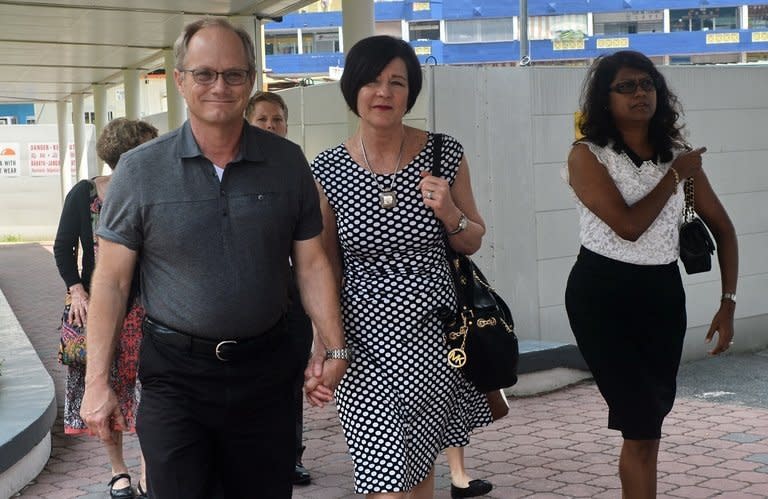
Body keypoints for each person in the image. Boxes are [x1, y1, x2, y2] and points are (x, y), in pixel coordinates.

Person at [79, 17, 347, 499]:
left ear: (250, 80)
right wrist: (98, 382)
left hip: (265, 375)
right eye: (204, 74)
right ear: (179, 80)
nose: (219, 86)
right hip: (175, 379)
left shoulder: (287, 162)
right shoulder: (140, 171)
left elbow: (311, 265)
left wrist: (333, 347)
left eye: (233, 74)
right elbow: (112, 282)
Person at [309, 35, 493, 499]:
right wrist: (327, 345)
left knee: (416, 474)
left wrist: (450, 212)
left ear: (411, 92)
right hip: (363, 343)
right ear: (353, 89)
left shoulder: (444, 154)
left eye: (397, 82)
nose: (384, 92)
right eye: (372, 81)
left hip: (431, 336)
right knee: (382, 485)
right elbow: (324, 266)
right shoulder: (328, 169)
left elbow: (472, 238)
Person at [564, 50, 738, 498]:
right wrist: (676, 176)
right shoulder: (587, 155)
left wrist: (727, 302)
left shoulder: (678, 156)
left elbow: (725, 229)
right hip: (603, 296)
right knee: (640, 425)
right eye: (626, 86)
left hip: (661, 295)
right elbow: (628, 226)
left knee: (649, 426)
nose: (640, 93)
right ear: (606, 98)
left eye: (648, 85)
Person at [53, 117, 158, 498]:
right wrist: (77, 292)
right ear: (129, 153)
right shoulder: (84, 194)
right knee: (103, 389)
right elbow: (64, 247)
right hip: (100, 310)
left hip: (149, 311)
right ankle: (119, 471)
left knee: (152, 393)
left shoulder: (153, 190)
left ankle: (148, 471)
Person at [245, 90, 312, 486]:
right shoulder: (236, 168)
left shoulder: (297, 168)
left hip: (294, 298)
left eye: (277, 120)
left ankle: (291, 455)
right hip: (253, 297)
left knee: (290, 378)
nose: (271, 126)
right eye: (262, 120)